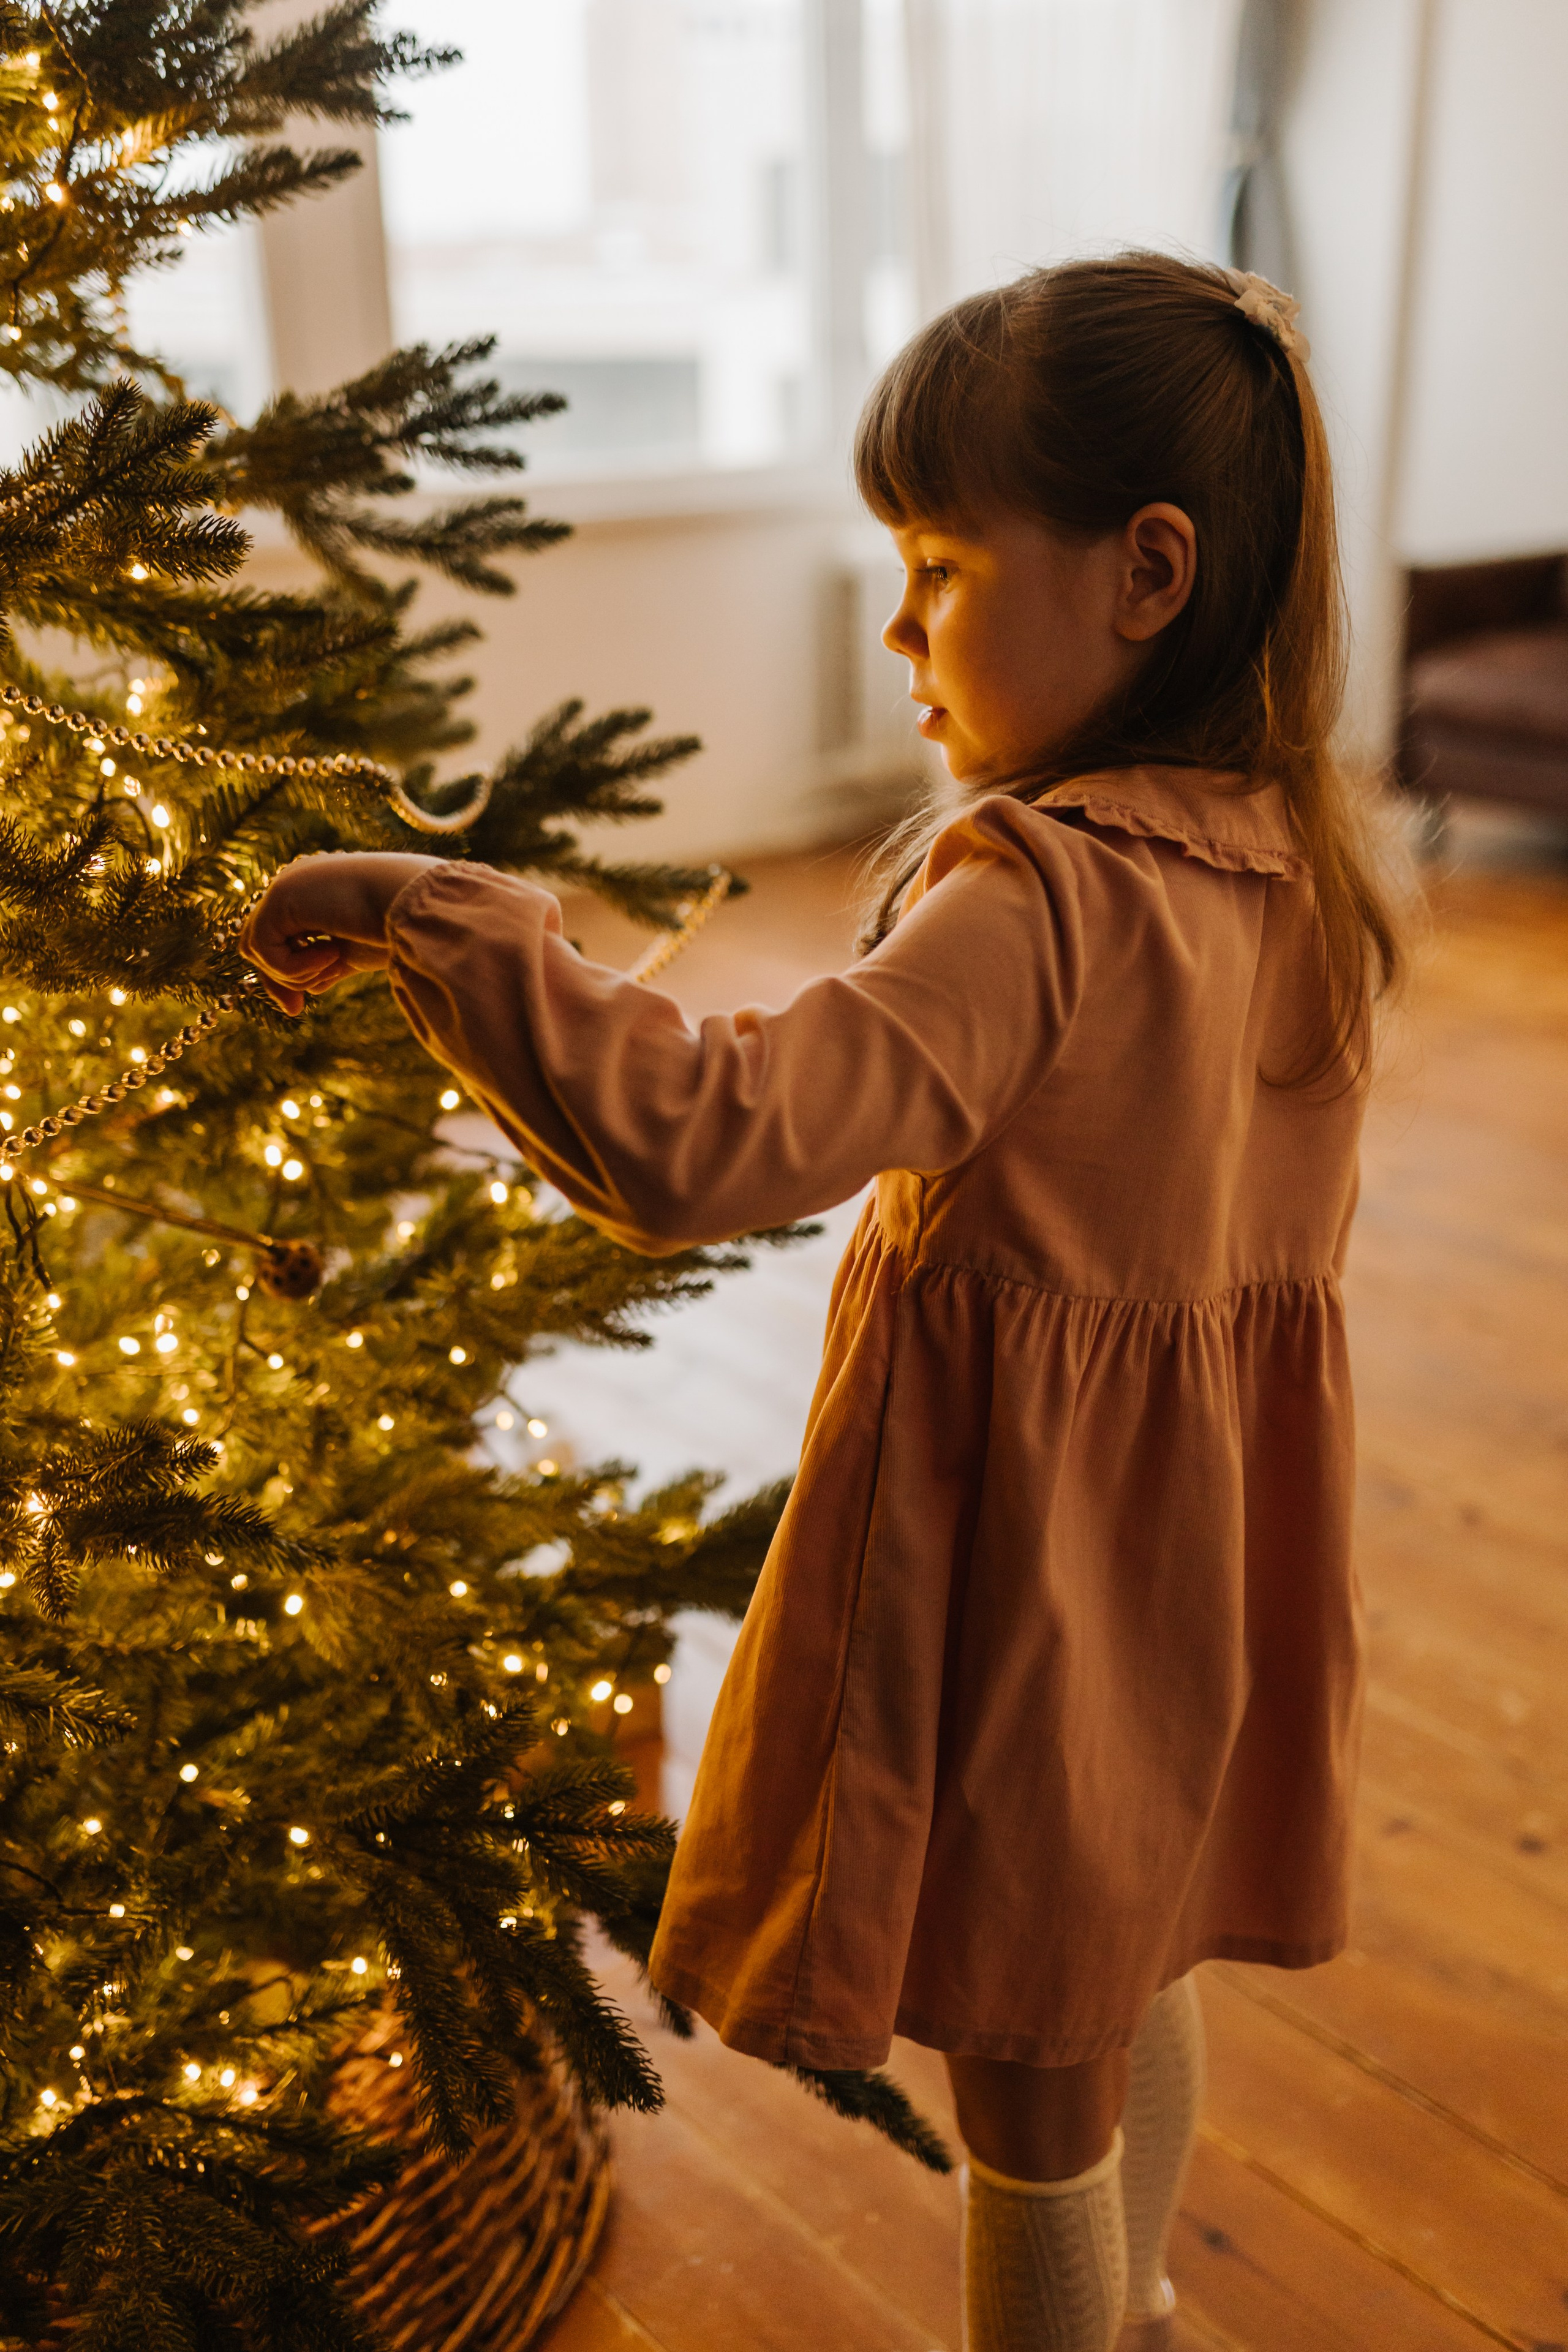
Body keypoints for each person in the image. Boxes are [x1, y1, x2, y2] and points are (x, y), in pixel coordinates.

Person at [241, 252, 1404, 2352]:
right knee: (1127, 1967)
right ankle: (1134, 2312)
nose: (897, 626)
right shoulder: (1297, 851)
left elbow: (705, 1140)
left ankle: (1088, 2315)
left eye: (940, 563)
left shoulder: (1039, 894)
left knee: (1035, 2073)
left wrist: (452, 921)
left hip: (1035, 1585)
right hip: (1203, 1548)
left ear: (1149, 573)